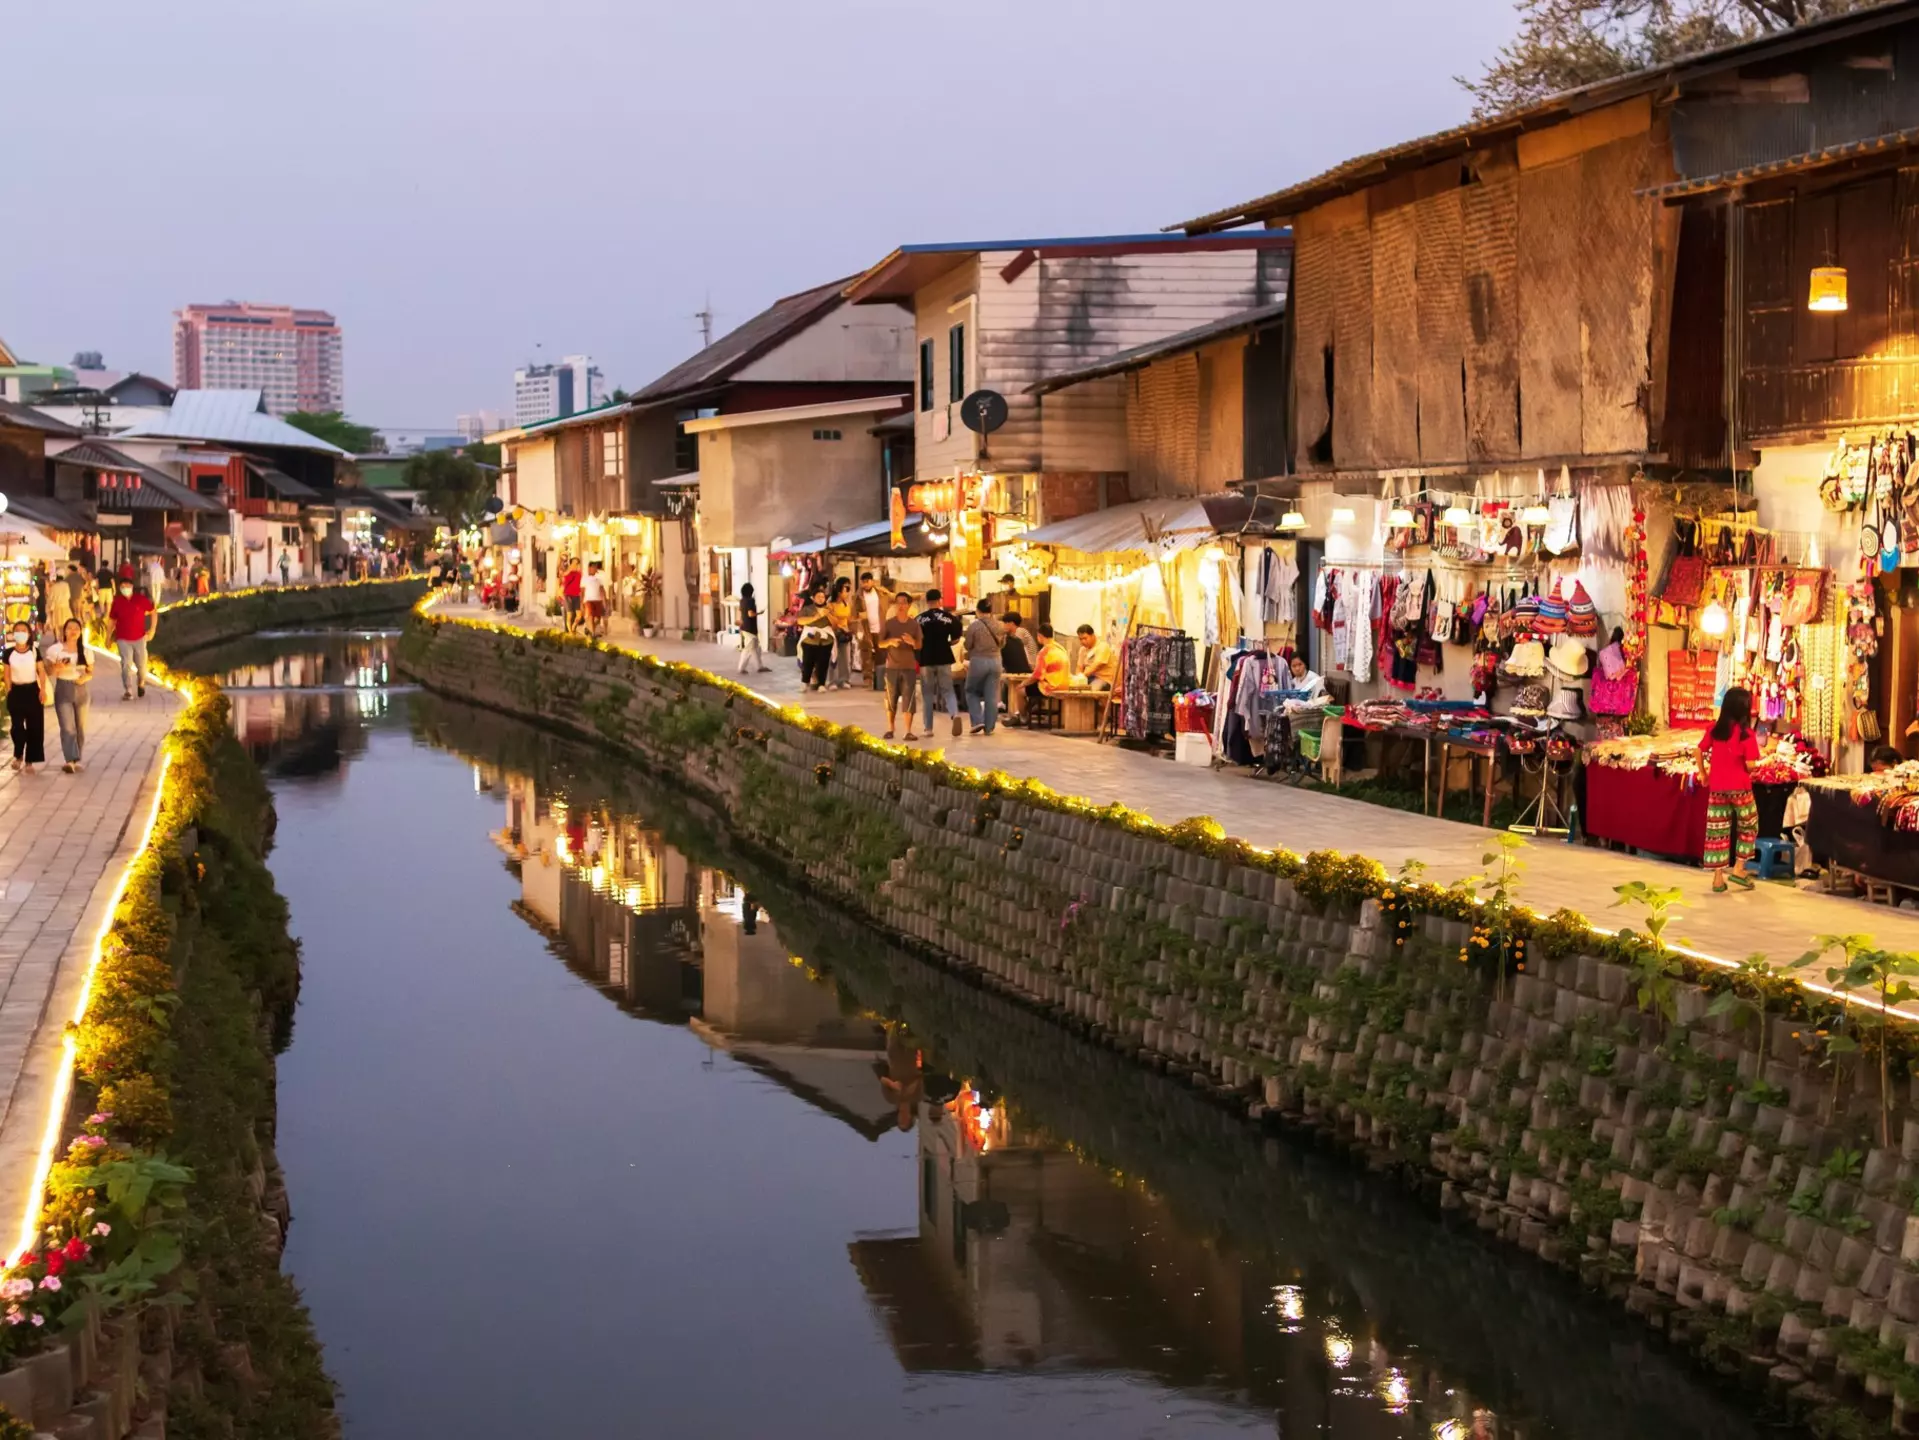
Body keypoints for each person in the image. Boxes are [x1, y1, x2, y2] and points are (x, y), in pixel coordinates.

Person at [1699, 685, 1762, 893]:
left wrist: (1703, 774)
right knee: (1748, 825)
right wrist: (1756, 766)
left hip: (1717, 788)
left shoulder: (1714, 730)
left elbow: (1698, 751)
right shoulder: (1746, 735)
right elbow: (1751, 765)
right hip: (1741, 789)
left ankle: (1718, 879)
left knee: (1717, 831)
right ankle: (1739, 868)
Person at [915, 588, 964, 738]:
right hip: (944, 656)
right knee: (947, 689)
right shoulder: (949, 617)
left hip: (926, 658)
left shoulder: (919, 618)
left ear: (926, 601)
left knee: (928, 693)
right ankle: (954, 714)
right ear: (939, 600)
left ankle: (928, 728)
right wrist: (947, 643)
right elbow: (956, 638)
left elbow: (915, 640)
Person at [47, 617, 90, 773]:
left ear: (80, 632)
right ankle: (70, 760)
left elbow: (90, 671)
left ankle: (77, 758)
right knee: (67, 727)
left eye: (76, 628)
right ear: (64, 631)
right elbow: (48, 671)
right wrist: (57, 667)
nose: (73, 631)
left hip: (81, 689)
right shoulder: (55, 650)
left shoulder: (85, 651)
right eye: (70, 628)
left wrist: (85, 677)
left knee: (80, 727)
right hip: (63, 687)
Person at [877, 591, 922, 740]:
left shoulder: (914, 624)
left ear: (909, 605)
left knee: (909, 700)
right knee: (891, 699)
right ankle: (890, 728)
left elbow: (919, 645)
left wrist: (912, 642)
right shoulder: (889, 623)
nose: (901, 605)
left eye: (904, 602)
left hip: (909, 667)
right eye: (898, 602)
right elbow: (879, 643)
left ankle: (908, 731)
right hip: (892, 667)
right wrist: (889, 642)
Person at [5, 622, 47, 773]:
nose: (20, 633)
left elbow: (41, 671)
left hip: (32, 692)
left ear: (29, 634)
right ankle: (18, 756)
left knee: (35, 727)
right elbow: (7, 674)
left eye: (23, 630)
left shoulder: (34, 652)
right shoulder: (8, 653)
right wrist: (9, 690)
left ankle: (30, 760)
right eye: (17, 630)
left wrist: (42, 690)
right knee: (17, 728)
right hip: (16, 692)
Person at [109, 574, 157, 700]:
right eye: (123, 586)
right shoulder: (117, 602)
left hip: (139, 638)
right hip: (123, 638)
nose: (125, 588)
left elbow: (153, 612)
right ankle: (128, 689)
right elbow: (112, 620)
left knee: (141, 665)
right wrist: (108, 637)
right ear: (120, 588)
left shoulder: (140, 600)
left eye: (128, 586)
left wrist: (152, 630)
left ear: (132, 587)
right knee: (126, 664)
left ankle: (141, 683)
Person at [962, 598, 1005, 736]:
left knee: (971, 691)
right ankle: (989, 727)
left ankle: (977, 721)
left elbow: (967, 645)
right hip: (996, 661)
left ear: (978, 611)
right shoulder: (999, 625)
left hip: (979, 661)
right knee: (991, 695)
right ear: (991, 611)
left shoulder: (974, 626)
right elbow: (1003, 644)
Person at [796, 584, 836, 692]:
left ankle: (821, 683)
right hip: (810, 639)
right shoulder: (807, 609)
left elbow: (835, 624)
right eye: (818, 597)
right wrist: (816, 616)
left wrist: (828, 615)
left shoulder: (829, 609)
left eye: (823, 597)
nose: (821, 599)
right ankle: (805, 682)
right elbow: (800, 621)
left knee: (823, 662)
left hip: (825, 639)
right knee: (808, 662)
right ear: (813, 598)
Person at [856, 571, 890, 689]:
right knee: (866, 654)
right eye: (863, 582)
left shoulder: (881, 593)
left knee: (881, 653)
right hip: (866, 629)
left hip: (880, 628)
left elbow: (893, 598)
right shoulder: (858, 596)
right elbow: (853, 613)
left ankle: (880, 678)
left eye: (867, 582)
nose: (865, 585)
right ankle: (867, 678)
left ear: (872, 582)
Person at [1000, 610, 1034, 723]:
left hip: (1030, 665)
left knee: (1001, 678)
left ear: (1012, 624)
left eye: (1005, 623)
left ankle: (1015, 712)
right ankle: (1013, 710)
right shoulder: (1012, 636)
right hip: (1027, 665)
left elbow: (1016, 653)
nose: (1003, 625)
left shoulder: (1019, 633)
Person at [826, 577, 855, 690]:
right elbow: (830, 619)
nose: (848, 592)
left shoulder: (846, 604)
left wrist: (851, 627)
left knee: (846, 658)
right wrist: (839, 627)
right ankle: (832, 681)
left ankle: (845, 679)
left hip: (845, 633)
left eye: (849, 588)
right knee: (833, 657)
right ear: (839, 590)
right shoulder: (830, 603)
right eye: (846, 588)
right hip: (834, 632)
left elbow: (849, 619)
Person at [737, 582, 769, 674]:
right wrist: (759, 613)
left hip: (745, 627)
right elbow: (750, 614)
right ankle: (741, 668)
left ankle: (759, 666)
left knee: (755, 648)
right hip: (750, 628)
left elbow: (741, 613)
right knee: (748, 649)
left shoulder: (742, 601)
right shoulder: (750, 601)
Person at [1076, 624, 1118, 690]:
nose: (1083, 641)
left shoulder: (1103, 646)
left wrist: (1082, 676)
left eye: (1085, 638)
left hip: (1103, 679)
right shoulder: (1082, 650)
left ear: (1092, 635)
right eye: (1080, 639)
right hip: (1087, 678)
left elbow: (1096, 665)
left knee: (1090, 691)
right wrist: (1077, 679)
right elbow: (1079, 666)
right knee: (1076, 689)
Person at [581, 561, 608, 637]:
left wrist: (604, 600)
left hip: (598, 600)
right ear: (589, 568)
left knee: (597, 618)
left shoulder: (599, 578)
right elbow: (582, 591)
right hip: (588, 600)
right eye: (593, 567)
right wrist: (581, 602)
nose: (595, 569)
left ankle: (588, 627)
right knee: (591, 616)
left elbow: (602, 590)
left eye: (596, 567)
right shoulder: (585, 578)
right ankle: (592, 633)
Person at [561, 559, 583, 633]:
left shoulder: (579, 574)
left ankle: (573, 626)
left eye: (577, 563)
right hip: (568, 595)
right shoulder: (567, 573)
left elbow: (581, 584)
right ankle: (570, 632)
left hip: (576, 596)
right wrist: (571, 567)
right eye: (574, 563)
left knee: (579, 616)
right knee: (569, 615)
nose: (576, 565)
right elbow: (564, 576)